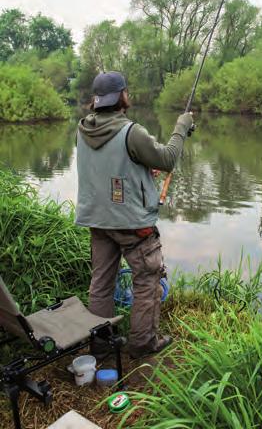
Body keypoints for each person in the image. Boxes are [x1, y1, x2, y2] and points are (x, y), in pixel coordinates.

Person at [75, 71, 193, 359]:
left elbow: (106, 166)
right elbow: (167, 159)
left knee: (101, 283)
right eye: (126, 91)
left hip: (97, 221)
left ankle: (101, 345)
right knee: (147, 280)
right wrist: (181, 127)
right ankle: (142, 345)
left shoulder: (82, 130)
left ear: (97, 100)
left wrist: (138, 170)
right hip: (131, 224)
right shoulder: (131, 131)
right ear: (121, 97)